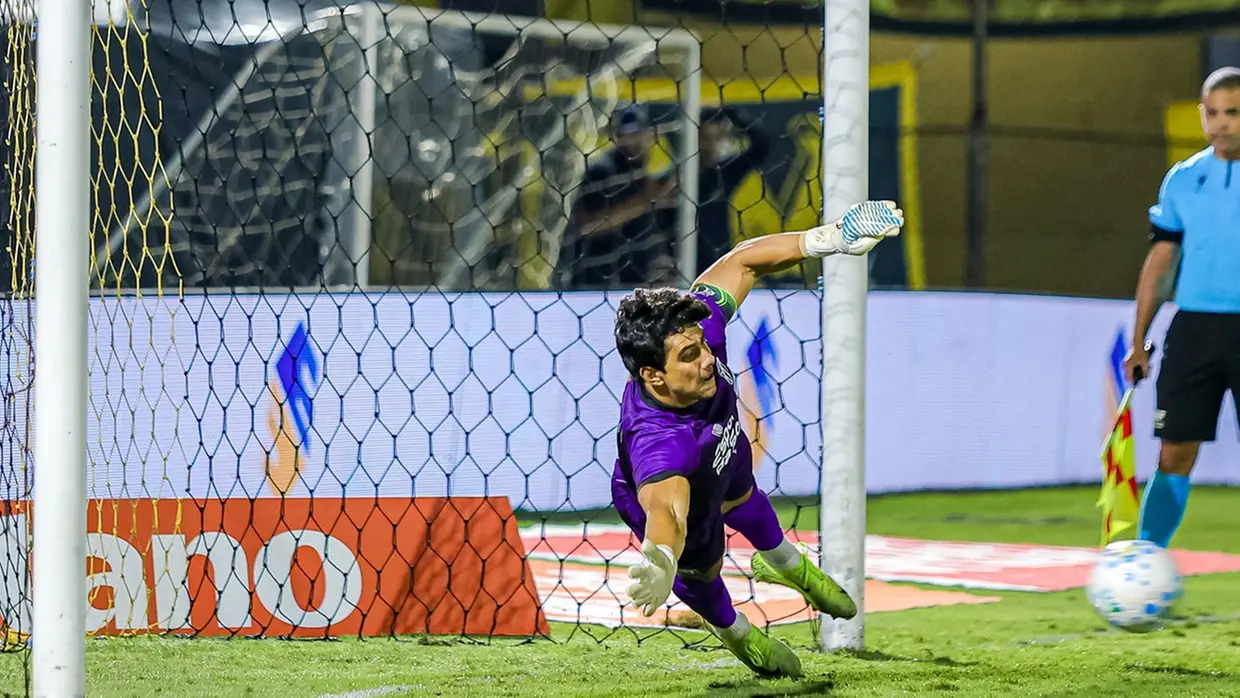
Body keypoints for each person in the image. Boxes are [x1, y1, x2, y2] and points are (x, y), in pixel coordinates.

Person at [611, 200, 905, 676]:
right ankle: (738, 635)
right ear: (653, 375)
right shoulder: (659, 445)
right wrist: (662, 557)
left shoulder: (698, 329)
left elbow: (744, 260)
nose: (708, 358)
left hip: (724, 448)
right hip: (687, 483)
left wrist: (827, 238)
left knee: (743, 494)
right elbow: (668, 511)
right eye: (689, 356)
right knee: (704, 571)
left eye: (702, 345)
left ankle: (785, 563)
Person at [1124, 66, 1240, 549]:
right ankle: (1146, 560)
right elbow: (1162, 262)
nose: (1221, 123)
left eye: (1232, 113)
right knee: (1173, 453)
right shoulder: (1183, 179)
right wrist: (1138, 341)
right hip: (1194, 331)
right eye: (1212, 113)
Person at [568, 105, 677, 288]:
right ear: (616, 137)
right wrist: (646, 200)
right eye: (628, 135)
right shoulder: (602, 171)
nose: (635, 142)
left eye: (640, 134)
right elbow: (590, 226)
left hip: (636, 281)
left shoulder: (646, 175)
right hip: (596, 283)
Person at [694, 107, 772, 272]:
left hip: (717, 257)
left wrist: (732, 112)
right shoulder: (678, 176)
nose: (710, 145)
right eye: (705, 138)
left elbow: (762, 145)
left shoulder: (726, 172)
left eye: (716, 139)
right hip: (683, 256)